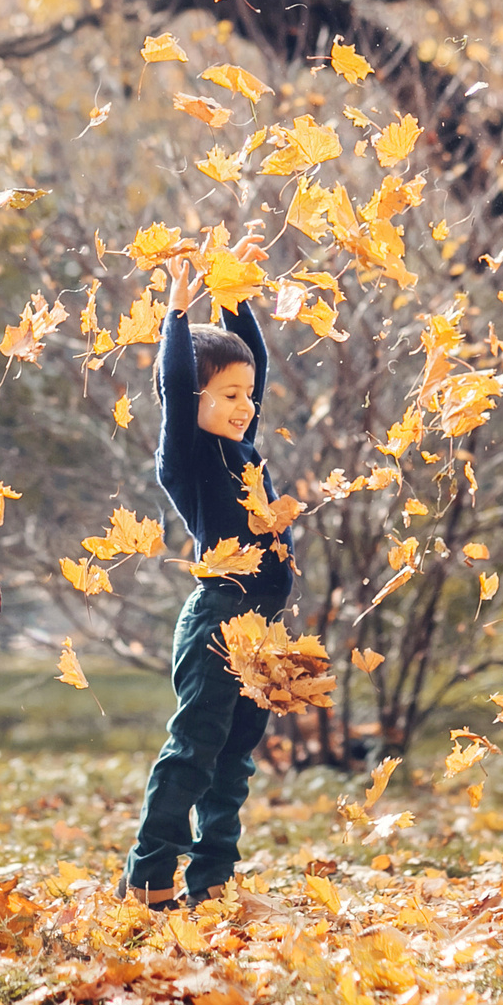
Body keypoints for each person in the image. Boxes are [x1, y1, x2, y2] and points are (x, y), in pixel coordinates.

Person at [124, 232, 294, 908]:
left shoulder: (243, 450)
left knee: (235, 758)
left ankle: (213, 879)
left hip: (260, 626)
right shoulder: (188, 461)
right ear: (191, 402)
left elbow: (257, 371)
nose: (244, 403)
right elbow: (172, 387)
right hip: (217, 623)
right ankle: (148, 875)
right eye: (225, 395)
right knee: (195, 750)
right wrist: (176, 312)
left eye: (245, 394)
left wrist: (236, 296)